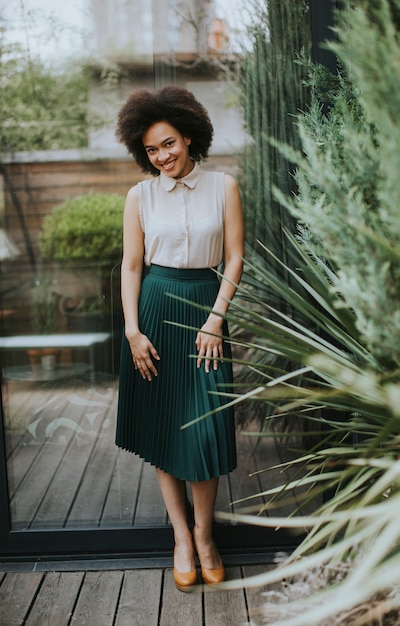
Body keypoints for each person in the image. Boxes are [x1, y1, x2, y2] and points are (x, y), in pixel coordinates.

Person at [115, 85, 244, 592]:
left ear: (189, 137)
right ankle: (182, 541)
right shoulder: (138, 196)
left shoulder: (225, 186)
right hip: (154, 308)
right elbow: (130, 266)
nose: (162, 156)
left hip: (205, 309)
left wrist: (215, 319)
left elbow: (233, 259)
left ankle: (206, 536)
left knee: (204, 431)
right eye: (151, 150)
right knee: (165, 428)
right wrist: (132, 330)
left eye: (168, 144)